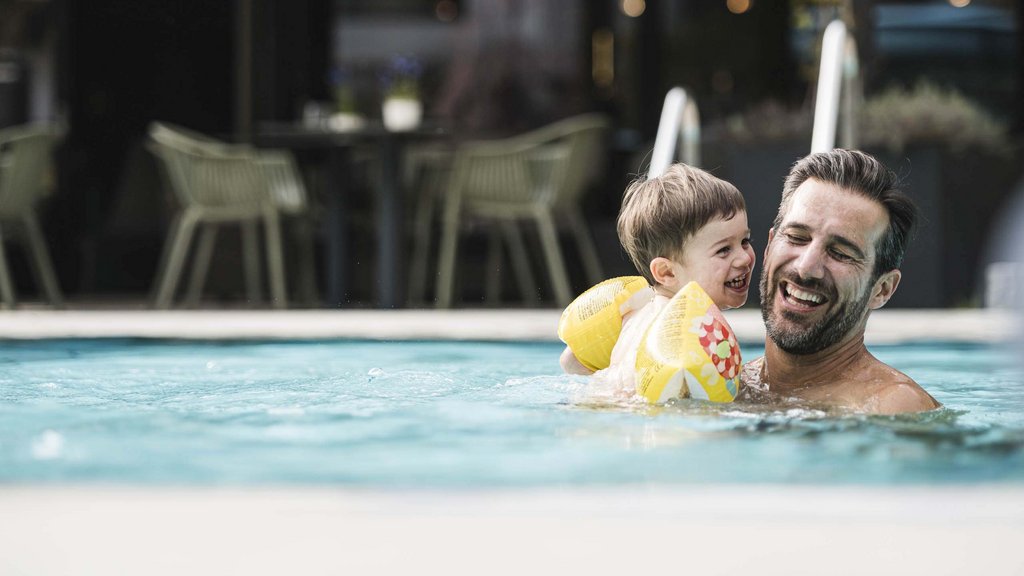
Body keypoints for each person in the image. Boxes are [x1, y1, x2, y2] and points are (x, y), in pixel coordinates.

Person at [743, 148, 940, 414]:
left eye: (840, 253)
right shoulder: (729, 382)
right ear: (768, 249)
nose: (805, 268)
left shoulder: (889, 406)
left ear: (882, 289)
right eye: (797, 237)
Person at [560, 163, 756, 397]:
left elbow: (571, 362)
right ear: (667, 272)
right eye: (724, 250)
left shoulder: (632, 315)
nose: (744, 257)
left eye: (745, 241)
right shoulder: (685, 330)